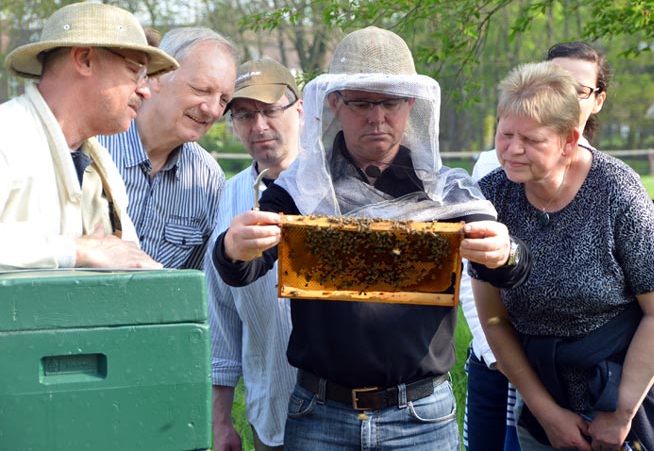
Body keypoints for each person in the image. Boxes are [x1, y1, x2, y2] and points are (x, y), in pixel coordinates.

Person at [212, 26, 531, 451]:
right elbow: (244, 268)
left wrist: (503, 251)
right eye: (362, 103)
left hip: (421, 417)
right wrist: (233, 247)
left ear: (410, 106)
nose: (376, 118)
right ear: (335, 104)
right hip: (320, 412)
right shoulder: (297, 189)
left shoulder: (444, 190)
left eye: (390, 103)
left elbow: (511, 267)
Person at [471, 61, 654, 451]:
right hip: (544, 399)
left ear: (569, 140)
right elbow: (494, 320)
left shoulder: (617, 191)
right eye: (505, 134)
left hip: (630, 396)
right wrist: (548, 415)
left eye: (531, 140)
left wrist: (620, 414)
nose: (512, 149)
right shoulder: (492, 196)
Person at [461, 41, 611, 451]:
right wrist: (493, 351)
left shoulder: (608, 181)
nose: (560, 92)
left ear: (596, 101)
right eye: (553, 80)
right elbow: (474, 276)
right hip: (497, 355)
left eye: (577, 89)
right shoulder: (496, 167)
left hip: (559, 365)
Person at [0, 1, 178, 270]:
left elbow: (130, 262)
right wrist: (73, 251)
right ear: (84, 60)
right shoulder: (8, 133)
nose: (145, 91)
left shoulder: (101, 164)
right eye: (135, 71)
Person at [205, 58, 303, 451]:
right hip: (270, 414)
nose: (258, 126)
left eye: (269, 110)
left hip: (345, 417)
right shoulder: (228, 198)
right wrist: (220, 420)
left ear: (300, 109)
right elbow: (221, 317)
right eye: (245, 115)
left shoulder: (337, 188)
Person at [99, 27, 237, 269]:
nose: (213, 110)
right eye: (202, 90)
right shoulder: (95, 148)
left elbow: (192, 285)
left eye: (224, 100)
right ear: (156, 77)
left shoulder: (207, 180)